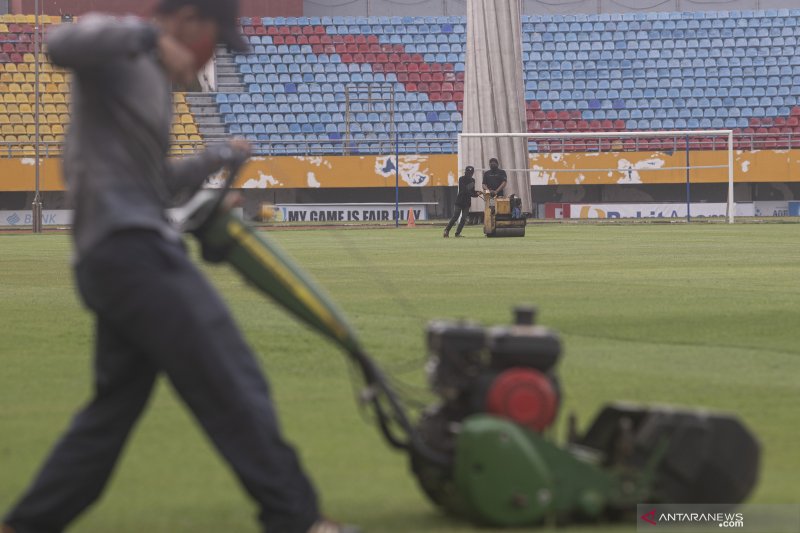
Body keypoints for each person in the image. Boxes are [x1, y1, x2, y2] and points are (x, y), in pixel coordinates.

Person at [1, 2, 356, 533]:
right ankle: (297, 519)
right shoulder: (123, 54)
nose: (214, 58)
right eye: (216, 41)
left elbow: (155, 186)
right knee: (230, 376)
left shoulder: (152, 84)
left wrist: (216, 158)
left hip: (118, 255)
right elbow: (59, 44)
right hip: (133, 254)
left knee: (110, 414)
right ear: (188, 19)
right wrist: (146, 35)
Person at [443, 165, 480, 238]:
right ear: (465, 172)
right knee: (455, 217)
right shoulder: (461, 179)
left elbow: (472, 191)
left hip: (467, 203)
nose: (469, 174)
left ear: (472, 173)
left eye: (470, 173)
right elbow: (465, 190)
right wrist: (474, 194)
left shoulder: (473, 180)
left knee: (463, 219)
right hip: (459, 201)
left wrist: (477, 193)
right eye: (468, 172)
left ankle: (457, 233)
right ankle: (446, 230)